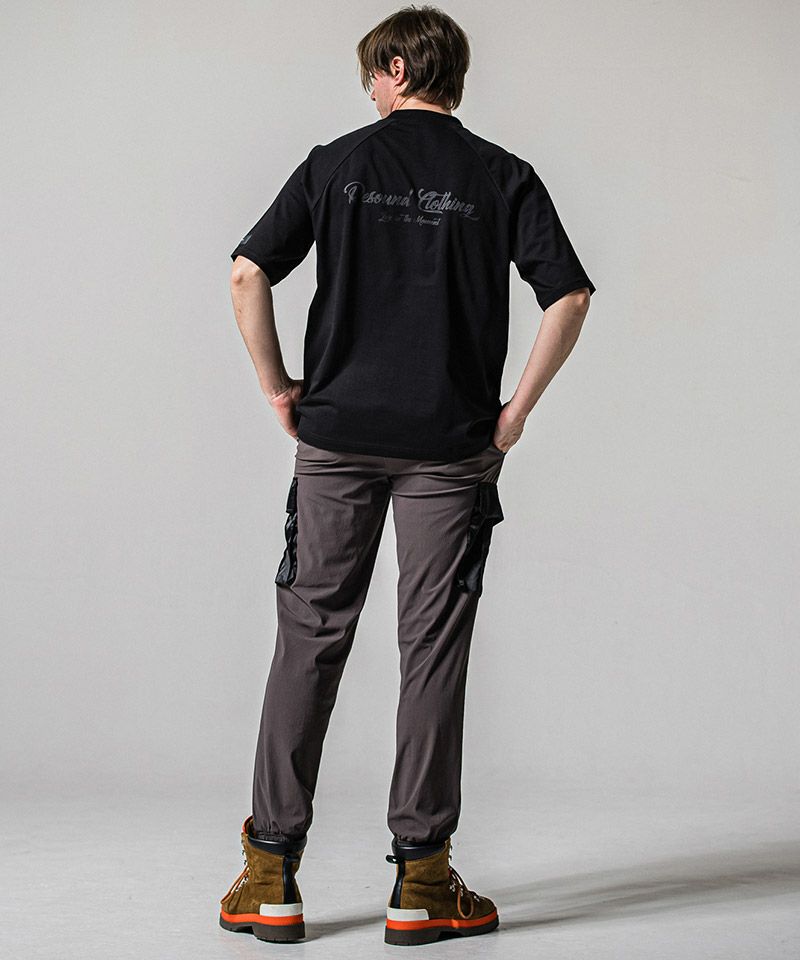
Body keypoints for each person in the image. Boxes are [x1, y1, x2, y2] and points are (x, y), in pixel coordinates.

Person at [219, 4, 596, 947]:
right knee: (432, 647)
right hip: (451, 448)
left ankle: (269, 876)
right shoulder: (501, 174)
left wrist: (277, 388)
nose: (369, 90)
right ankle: (423, 883)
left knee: (310, 635)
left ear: (395, 67)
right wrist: (514, 415)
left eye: (371, 73)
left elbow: (246, 273)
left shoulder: (335, 164)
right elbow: (569, 294)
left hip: (337, 438)